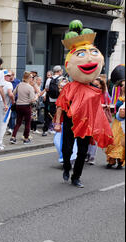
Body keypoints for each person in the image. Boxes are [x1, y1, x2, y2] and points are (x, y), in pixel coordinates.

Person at [54, 24, 113, 188]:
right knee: (66, 150)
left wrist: (98, 127)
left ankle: (76, 177)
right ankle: (66, 167)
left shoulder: (95, 89)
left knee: (82, 152)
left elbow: (97, 110)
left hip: (86, 125)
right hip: (70, 122)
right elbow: (60, 106)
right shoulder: (68, 88)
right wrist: (58, 122)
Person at [86, 77, 110, 165]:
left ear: (101, 85)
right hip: (88, 118)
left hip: (99, 118)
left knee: (94, 137)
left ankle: (92, 157)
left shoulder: (104, 94)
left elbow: (109, 103)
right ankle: (86, 154)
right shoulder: (89, 93)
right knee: (87, 136)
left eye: (97, 85)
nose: (95, 86)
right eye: (94, 84)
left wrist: (105, 106)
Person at [10, 72, 37, 145]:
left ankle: (13, 137)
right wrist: (36, 97)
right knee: (27, 123)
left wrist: (14, 101)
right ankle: (26, 138)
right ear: (28, 78)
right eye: (31, 77)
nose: (32, 78)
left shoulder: (19, 85)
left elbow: (13, 94)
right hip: (26, 106)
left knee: (18, 122)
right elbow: (32, 99)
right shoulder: (30, 87)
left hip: (18, 106)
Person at [105, 79, 125, 169]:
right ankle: (111, 160)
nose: (123, 87)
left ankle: (120, 160)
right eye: (122, 85)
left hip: (124, 123)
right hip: (117, 121)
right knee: (113, 139)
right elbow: (114, 106)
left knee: (121, 141)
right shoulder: (117, 95)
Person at [42, 65, 63, 137]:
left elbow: (46, 88)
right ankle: (57, 129)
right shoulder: (62, 79)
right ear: (59, 71)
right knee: (59, 115)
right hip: (60, 100)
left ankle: (45, 130)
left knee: (49, 114)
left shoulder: (49, 79)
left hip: (51, 99)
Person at [0, 70, 15, 148]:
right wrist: (13, 100)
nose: (9, 77)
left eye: (9, 76)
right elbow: (10, 94)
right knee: (3, 125)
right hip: (5, 107)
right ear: (4, 76)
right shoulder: (8, 84)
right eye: (7, 76)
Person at [7, 70, 21, 135]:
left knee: (13, 115)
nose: (9, 77)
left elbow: (19, 91)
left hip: (16, 101)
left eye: (10, 75)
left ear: (13, 75)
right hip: (8, 100)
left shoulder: (17, 81)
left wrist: (16, 98)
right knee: (10, 115)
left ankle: (11, 128)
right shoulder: (7, 81)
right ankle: (10, 127)